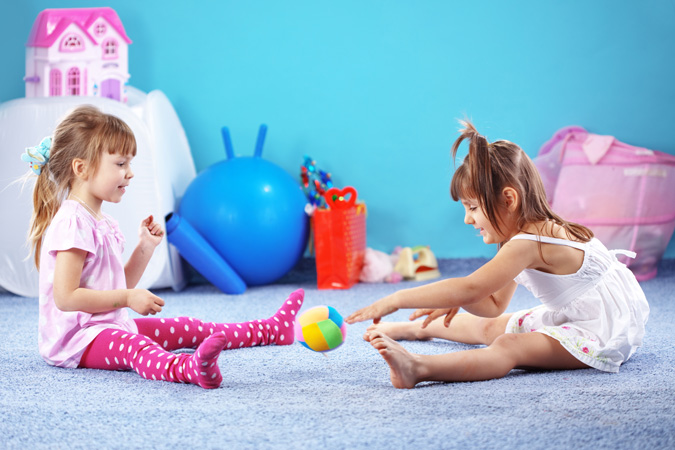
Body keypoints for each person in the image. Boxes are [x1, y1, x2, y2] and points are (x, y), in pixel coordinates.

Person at [345, 120, 649, 389]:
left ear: (508, 199)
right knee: (492, 326)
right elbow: (491, 304)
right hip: (581, 314)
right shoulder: (523, 235)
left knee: (509, 346)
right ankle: (412, 329)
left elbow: (472, 287)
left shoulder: (530, 242)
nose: (467, 219)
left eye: (473, 208)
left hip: (601, 330)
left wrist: (395, 299)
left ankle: (419, 367)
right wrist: (453, 298)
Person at [23, 105, 303, 389]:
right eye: (120, 164)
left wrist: (145, 248)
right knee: (136, 348)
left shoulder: (100, 221)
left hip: (105, 326)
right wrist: (128, 298)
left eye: (129, 164)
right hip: (76, 340)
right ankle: (187, 368)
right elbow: (66, 297)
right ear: (81, 168)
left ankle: (270, 330)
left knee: (189, 327)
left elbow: (114, 284)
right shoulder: (72, 222)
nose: (130, 173)